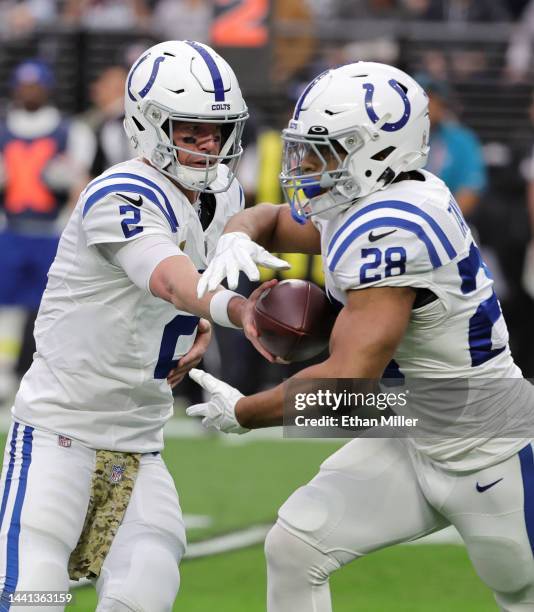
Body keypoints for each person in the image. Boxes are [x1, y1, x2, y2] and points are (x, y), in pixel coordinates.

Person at [191, 62, 534, 611]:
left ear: (378, 151)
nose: (304, 164)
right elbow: (275, 218)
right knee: (295, 546)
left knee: (521, 591)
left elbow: (348, 383)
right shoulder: (369, 197)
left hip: (483, 437)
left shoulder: (393, 226)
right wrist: (235, 234)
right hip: (416, 416)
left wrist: (246, 412)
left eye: (324, 150)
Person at [0, 40, 285, 611]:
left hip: (139, 444)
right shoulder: (120, 191)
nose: (210, 146)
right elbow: (171, 280)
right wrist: (236, 311)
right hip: (60, 433)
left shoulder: (221, 192)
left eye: (219, 131)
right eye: (191, 130)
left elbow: (188, 285)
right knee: (33, 596)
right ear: (149, 125)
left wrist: (194, 322)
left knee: (149, 586)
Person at [0, 59, 95, 399]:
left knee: (51, 308)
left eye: (35, 85)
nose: (29, 92)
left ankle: (43, 374)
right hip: (10, 229)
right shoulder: (4, 128)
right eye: (24, 86)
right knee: (7, 305)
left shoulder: (70, 130)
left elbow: (79, 185)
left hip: (52, 231)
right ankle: (5, 372)